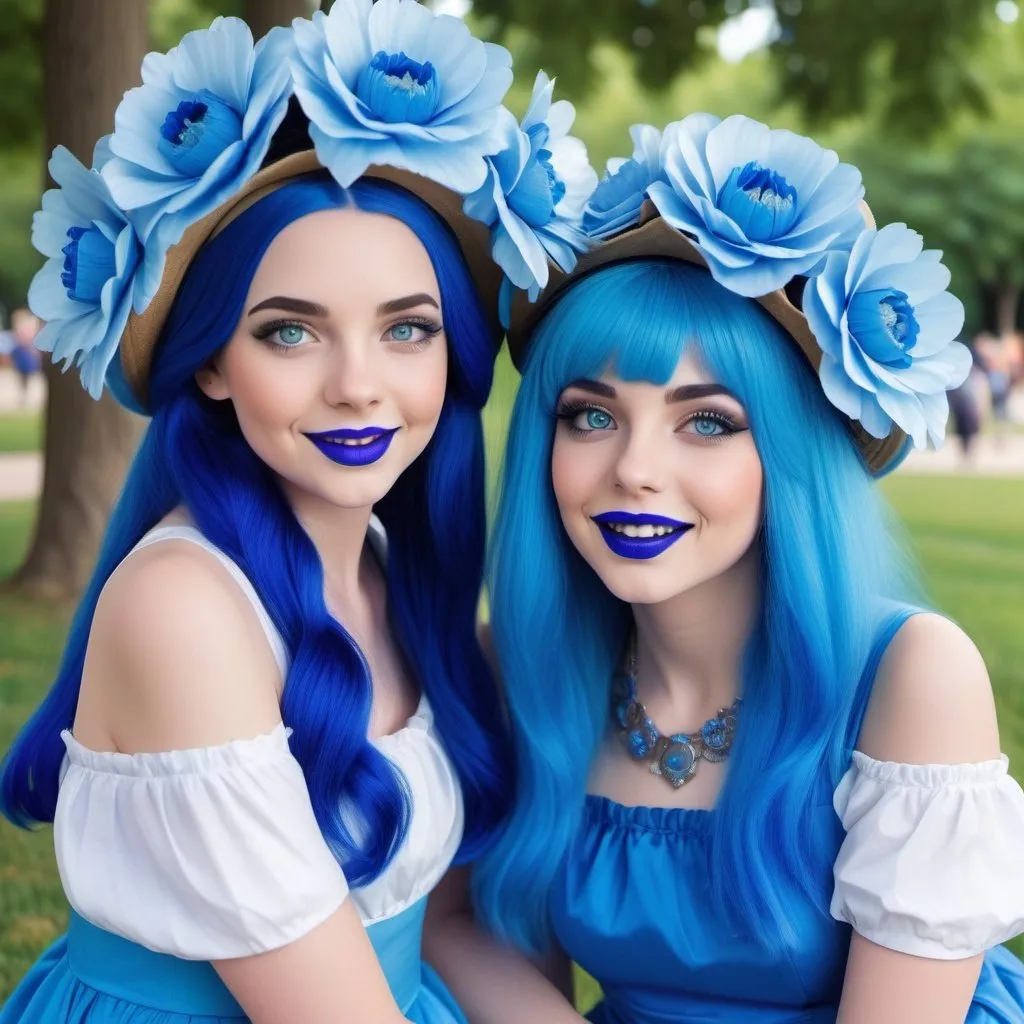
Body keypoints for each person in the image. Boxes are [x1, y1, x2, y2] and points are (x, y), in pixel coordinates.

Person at [0, 3, 561, 1019]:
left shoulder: (396, 570)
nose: (358, 386)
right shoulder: (184, 606)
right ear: (211, 361)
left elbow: (437, 922)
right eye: (291, 333)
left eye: (407, 330)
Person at [427, 115, 1024, 1022]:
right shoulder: (521, 664)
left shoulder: (910, 677)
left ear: (787, 457)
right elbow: (461, 921)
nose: (634, 468)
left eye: (706, 422)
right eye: (592, 416)